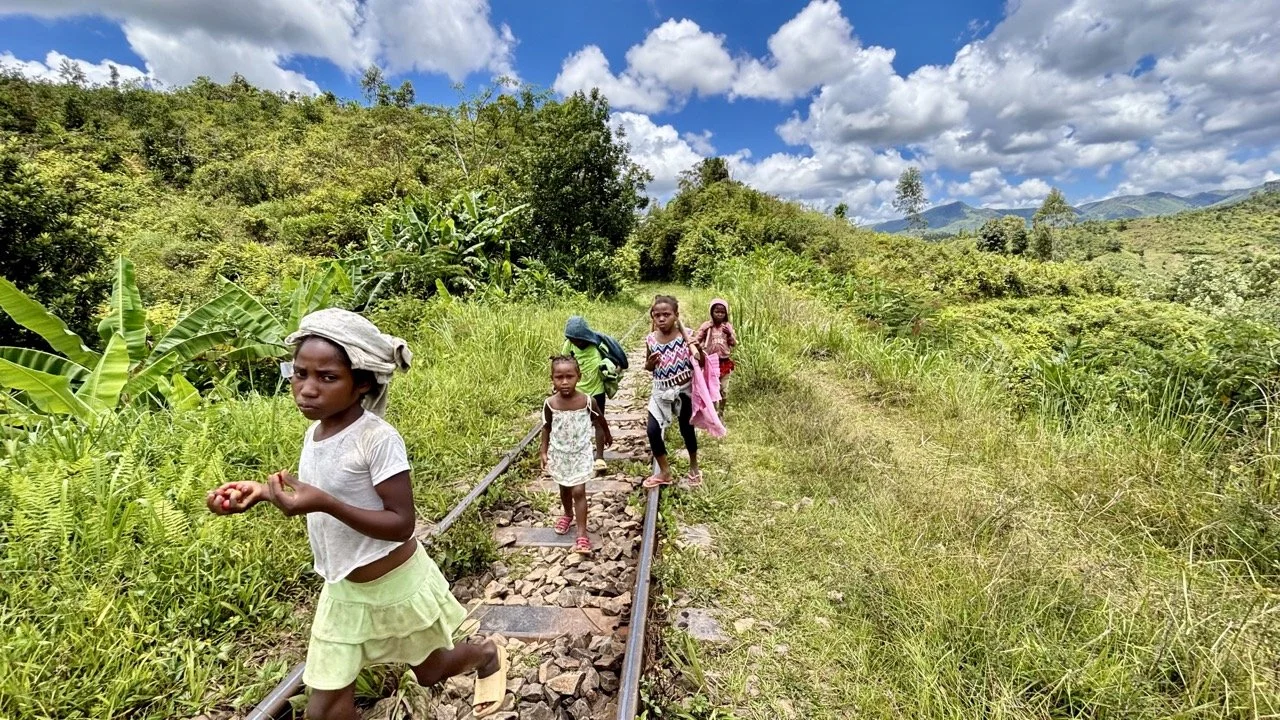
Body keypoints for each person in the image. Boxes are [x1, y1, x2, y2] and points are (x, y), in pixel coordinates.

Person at [205, 308, 507, 720]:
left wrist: (324, 503)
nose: (307, 389)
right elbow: (321, 491)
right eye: (299, 374)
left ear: (362, 382)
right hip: (344, 592)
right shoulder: (317, 430)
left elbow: (401, 524)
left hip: (397, 586)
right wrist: (261, 493)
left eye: (327, 377)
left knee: (432, 671)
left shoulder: (377, 439)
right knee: (324, 709)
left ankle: (485, 654)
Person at [539, 355, 613, 553]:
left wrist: (606, 436)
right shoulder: (550, 404)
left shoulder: (587, 401)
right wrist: (543, 450)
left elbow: (600, 421)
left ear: (578, 377)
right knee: (564, 487)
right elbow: (546, 427)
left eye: (569, 376)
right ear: (552, 378)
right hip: (560, 454)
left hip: (580, 453)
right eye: (559, 377)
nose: (564, 382)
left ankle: (582, 533)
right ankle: (567, 513)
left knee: (578, 490)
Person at [642, 295, 706, 489]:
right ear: (653, 317)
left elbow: (700, 362)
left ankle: (694, 467)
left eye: (666, 315)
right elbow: (648, 367)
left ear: (676, 315)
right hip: (660, 390)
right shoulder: (651, 339)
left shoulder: (686, 336)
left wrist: (699, 350)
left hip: (684, 390)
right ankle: (664, 471)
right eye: (657, 315)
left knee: (687, 429)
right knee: (652, 430)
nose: (661, 319)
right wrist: (650, 364)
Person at [562, 316, 610, 475]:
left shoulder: (597, 345)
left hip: (596, 390)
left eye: (578, 339)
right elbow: (564, 364)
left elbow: (611, 361)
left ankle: (600, 457)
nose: (576, 342)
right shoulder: (568, 346)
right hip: (577, 391)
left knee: (597, 420)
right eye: (572, 339)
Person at [695, 298, 737, 414]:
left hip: (724, 362)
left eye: (722, 312)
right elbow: (696, 341)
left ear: (726, 314)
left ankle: (721, 412)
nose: (719, 314)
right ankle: (712, 412)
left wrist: (729, 334)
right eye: (716, 312)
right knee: (712, 389)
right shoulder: (707, 326)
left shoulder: (727, 327)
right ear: (711, 313)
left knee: (724, 390)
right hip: (711, 362)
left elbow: (734, 343)